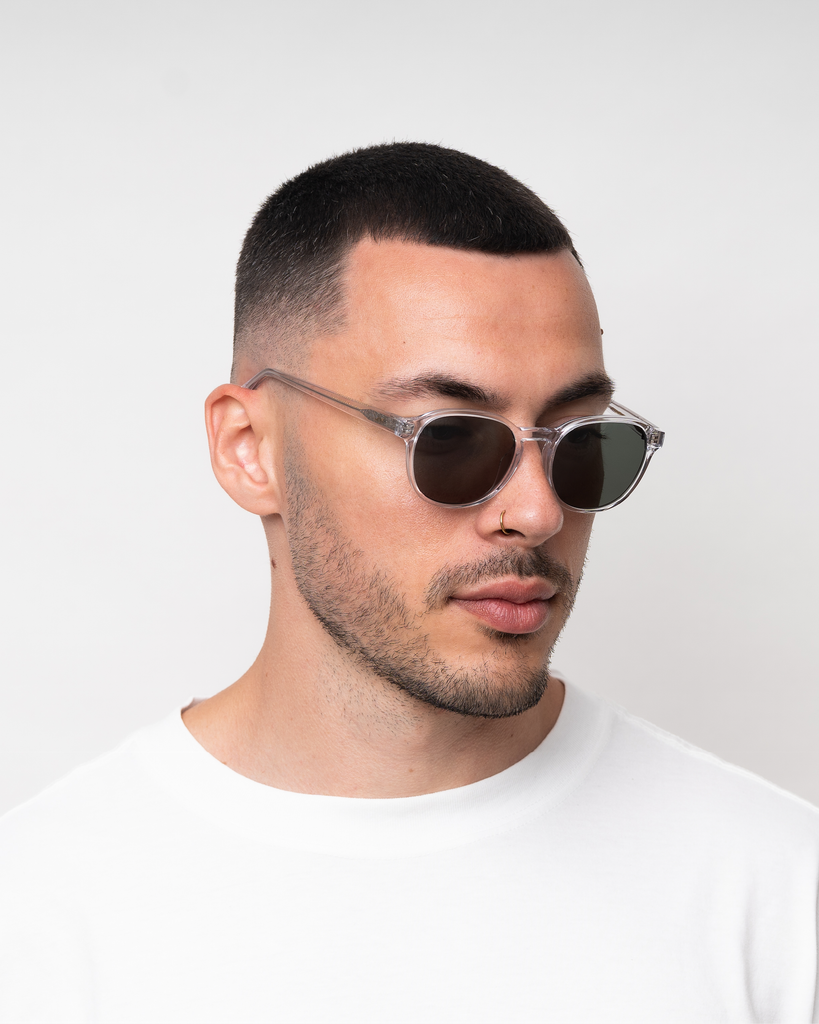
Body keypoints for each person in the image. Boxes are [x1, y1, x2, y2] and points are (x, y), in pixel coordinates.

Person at [1, 142, 817, 1024]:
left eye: (582, 442)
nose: (537, 512)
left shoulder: (775, 896)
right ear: (249, 450)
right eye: (450, 439)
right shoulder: (42, 917)